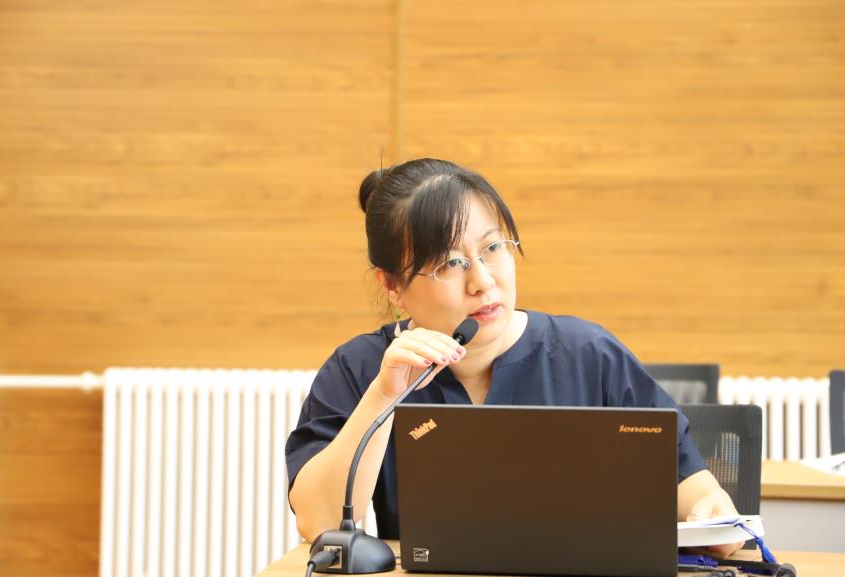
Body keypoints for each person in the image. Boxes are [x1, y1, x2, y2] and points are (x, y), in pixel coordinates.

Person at [286, 158, 743, 556]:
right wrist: (384, 396)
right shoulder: (362, 368)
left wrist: (713, 514)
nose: (483, 281)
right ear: (393, 286)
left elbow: (696, 491)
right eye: (450, 263)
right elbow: (319, 521)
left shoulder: (588, 355)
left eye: (492, 248)